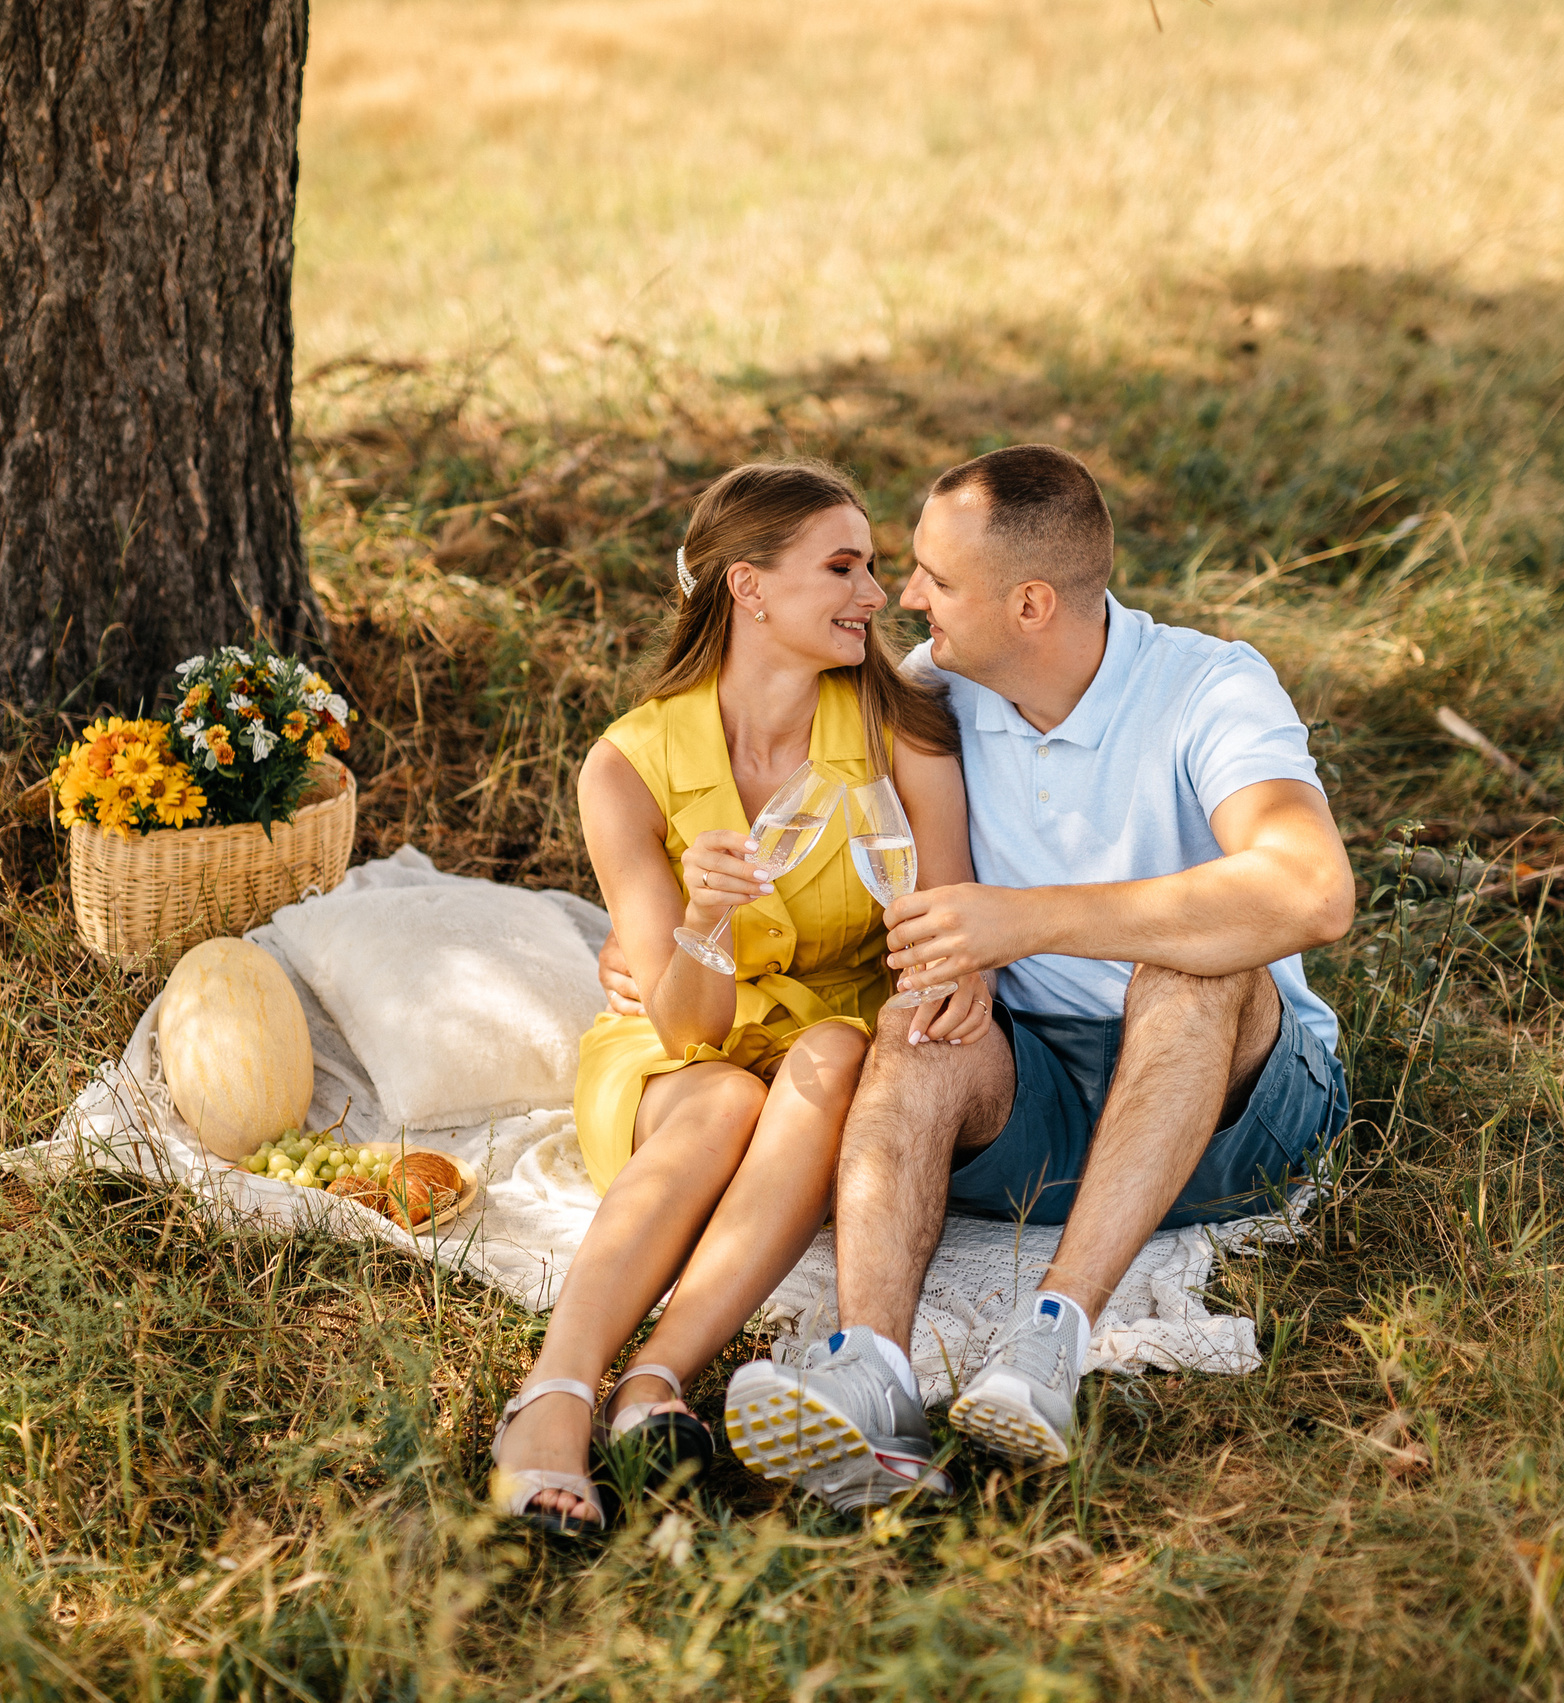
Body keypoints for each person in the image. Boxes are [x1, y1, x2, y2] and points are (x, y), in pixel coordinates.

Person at [682, 443, 1356, 1510]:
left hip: (1237, 1112)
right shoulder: (930, 695)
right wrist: (670, 929)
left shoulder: (1208, 686)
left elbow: (1311, 891)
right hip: (1033, 1090)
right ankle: (871, 1373)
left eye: (937, 579)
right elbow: (779, 793)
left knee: (1190, 969)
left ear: (1031, 603)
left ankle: (1048, 1343)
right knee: (916, 1025)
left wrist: (1022, 920)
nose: (905, 597)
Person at [491, 460, 991, 1535]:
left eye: (872, 567)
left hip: (835, 1037)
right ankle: (552, 1396)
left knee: (831, 1056)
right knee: (721, 1095)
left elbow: (946, 925)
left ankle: (655, 1378)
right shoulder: (625, 766)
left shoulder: (898, 726)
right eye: (843, 567)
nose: (875, 594)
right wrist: (705, 923)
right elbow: (685, 1028)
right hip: (679, 1046)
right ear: (747, 586)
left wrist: (953, 989)